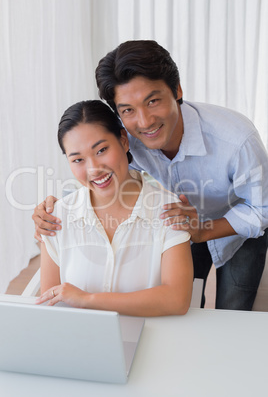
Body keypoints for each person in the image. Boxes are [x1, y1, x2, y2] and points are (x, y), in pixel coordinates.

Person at [33, 40, 268, 310]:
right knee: (190, 305)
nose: (144, 122)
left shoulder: (236, 140)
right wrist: (56, 208)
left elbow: (262, 208)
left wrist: (205, 231)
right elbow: (98, 168)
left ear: (177, 90)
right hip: (179, 224)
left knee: (234, 306)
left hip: (237, 227)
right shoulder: (124, 134)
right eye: (128, 110)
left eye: (153, 101)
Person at [35, 99, 193, 316]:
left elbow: (177, 300)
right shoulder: (56, 217)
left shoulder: (170, 209)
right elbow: (50, 305)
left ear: (123, 141)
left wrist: (87, 300)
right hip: (80, 343)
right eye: (78, 159)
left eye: (101, 150)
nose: (94, 169)